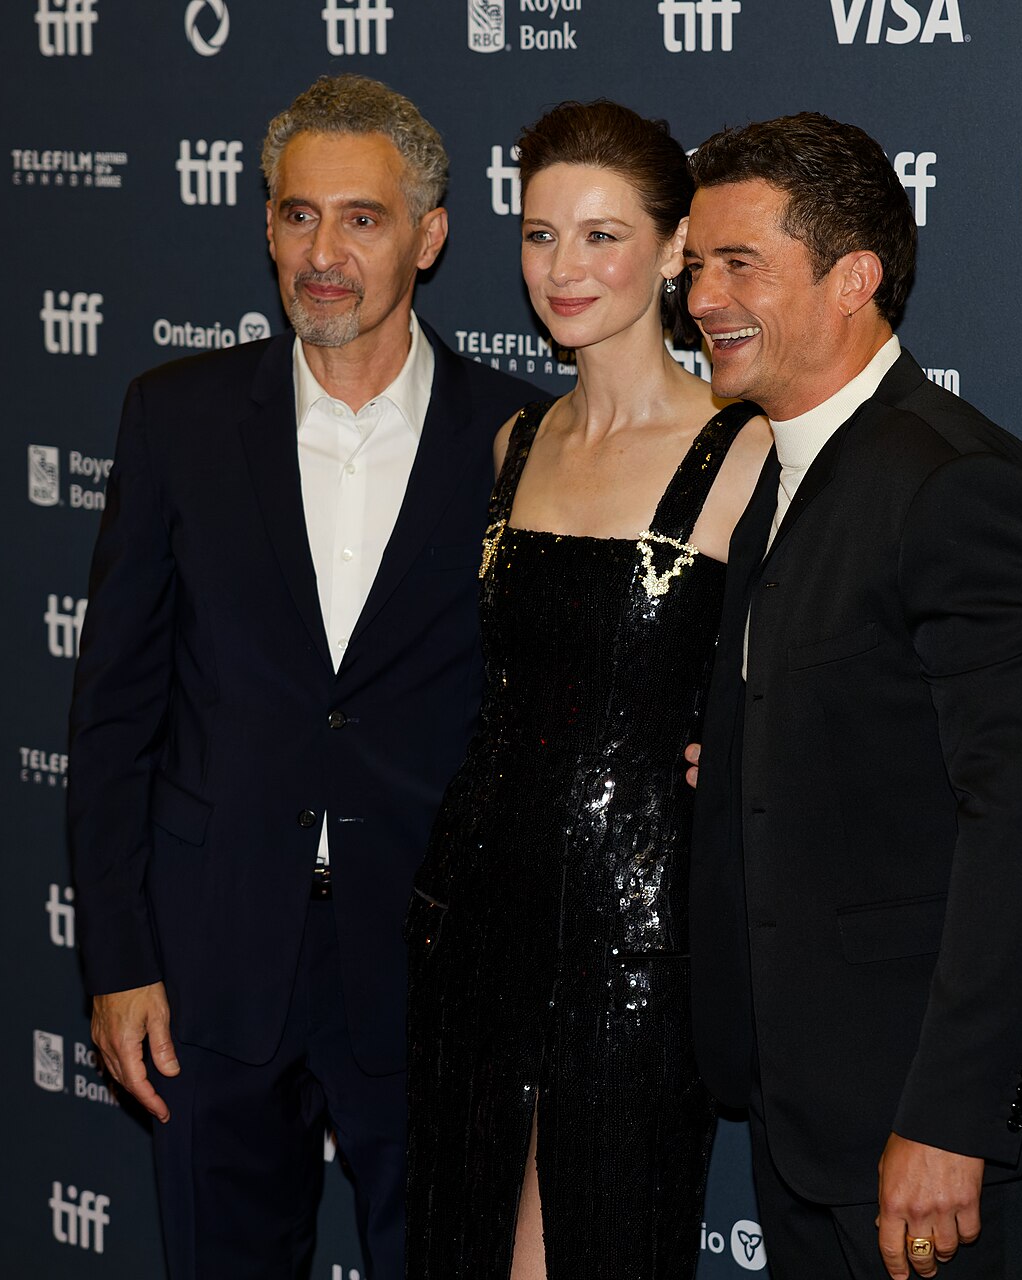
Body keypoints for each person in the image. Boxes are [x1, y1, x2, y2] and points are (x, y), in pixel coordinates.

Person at [66, 74, 537, 1280]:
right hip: (214, 957)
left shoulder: (520, 440)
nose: (323, 254)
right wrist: (118, 956)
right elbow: (116, 707)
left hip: (431, 966)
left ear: (428, 236)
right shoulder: (174, 417)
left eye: (363, 220)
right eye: (296, 216)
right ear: (266, 224)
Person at [682, 113, 1022, 1280]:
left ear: (854, 277)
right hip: (812, 1118)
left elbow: (1019, 826)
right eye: (696, 264)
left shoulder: (954, 485)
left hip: (925, 1140)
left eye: (739, 263)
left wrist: (955, 1117)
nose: (701, 296)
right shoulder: (789, 467)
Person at [402, 101, 771, 1280]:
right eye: (541, 234)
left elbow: (801, 681)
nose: (565, 269)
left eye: (604, 236)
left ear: (675, 252)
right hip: (476, 914)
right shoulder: (516, 442)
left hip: (639, 943)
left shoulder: (745, 445)